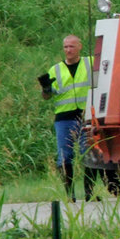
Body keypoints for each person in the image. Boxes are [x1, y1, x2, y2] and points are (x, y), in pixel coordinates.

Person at [39, 34, 96, 200]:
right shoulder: (55, 69)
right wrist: (46, 89)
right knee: (64, 156)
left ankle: (89, 193)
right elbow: (47, 96)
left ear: (80, 47)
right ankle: (69, 194)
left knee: (90, 154)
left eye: (71, 46)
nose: (68, 50)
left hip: (87, 116)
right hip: (64, 118)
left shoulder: (90, 63)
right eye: (65, 47)